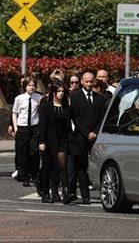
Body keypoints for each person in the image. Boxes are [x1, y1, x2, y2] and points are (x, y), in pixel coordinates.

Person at [68, 71, 105, 204]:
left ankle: (103, 193)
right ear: (82, 81)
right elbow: (75, 118)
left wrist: (95, 132)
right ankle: (85, 195)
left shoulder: (99, 98)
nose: (89, 84)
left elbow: (102, 118)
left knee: (99, 165)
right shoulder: (75, 97)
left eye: (91, 82)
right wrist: (86, 133)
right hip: (81, 137)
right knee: (81, 166)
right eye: (86, 81)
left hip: (96, 137)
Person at [38, 81, 72, 203]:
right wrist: (41, 141)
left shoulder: (66, 107)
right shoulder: (45, 107)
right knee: (47, 168)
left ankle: (66, 192)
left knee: (63, 166)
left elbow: (68, 125)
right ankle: (46, 193)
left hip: (62, 140)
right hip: (49, 139)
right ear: (53, 93)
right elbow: (42, 125)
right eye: (59, 91)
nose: (61, 93)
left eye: (63, 91)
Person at [12, 76, 42, 187]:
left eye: (33, 85)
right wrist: (16, 128)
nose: (32, 88)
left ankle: (34, 174)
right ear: (25, 87)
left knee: (34, 152)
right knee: (23, 153)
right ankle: (25, 175)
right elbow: (15, 113)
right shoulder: (19, 98)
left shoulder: (38, 97)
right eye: (29, 86)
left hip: (34, 127)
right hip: (23, 127)